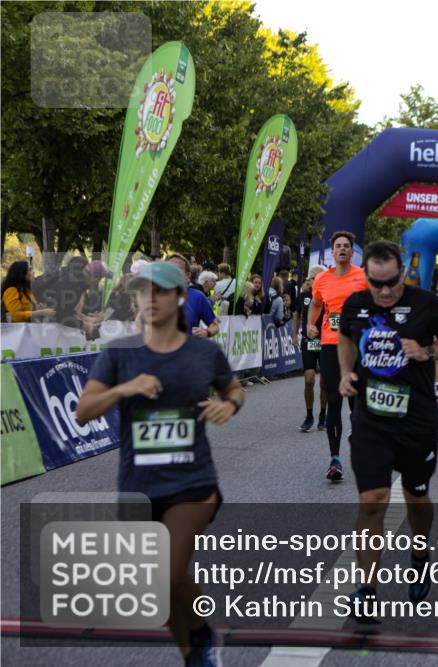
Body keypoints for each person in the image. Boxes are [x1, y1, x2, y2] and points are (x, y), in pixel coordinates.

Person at [77, 261, 244, 666]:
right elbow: (83, 412)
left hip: (194, 482)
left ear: (180, 298)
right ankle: (194, 655)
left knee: (168, 571)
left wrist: (229, 405)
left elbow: (234, 389)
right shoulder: (121, 354)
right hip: (138, 484)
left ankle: (202, 631)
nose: (149, 299)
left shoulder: (204, 352)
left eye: (159, 291)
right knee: (159, 584)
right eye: (142, 292)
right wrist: (126, 388)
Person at [337, 241, 438, 621]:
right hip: (371, 417)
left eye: (392, 282)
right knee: (372, 499)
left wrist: (428, 353)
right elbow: (345, 335)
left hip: (417, 419)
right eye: (377, 284)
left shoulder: (426, 304)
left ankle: (421, 554)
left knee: (416, 498)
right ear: (367, 278)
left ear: (401, 271)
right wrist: (346, 372)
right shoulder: (356, 304)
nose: (386, 291)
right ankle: (367, 590)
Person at [308, 231, 368, 482]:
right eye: (338, 246)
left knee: (355, 402)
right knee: (333, 399)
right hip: (331, 345)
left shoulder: (363, 277)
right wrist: (310, 325)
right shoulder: (321, 279)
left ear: (352, 252)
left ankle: (359, 439)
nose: (342, 249)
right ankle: (335, 459)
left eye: (346, 246)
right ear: (332, 252)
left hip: (357, 345)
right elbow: (316, 303)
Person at [293, 266, 327, 432]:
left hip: (326, 342)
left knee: (324, 383)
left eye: (316, 277)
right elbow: (297, 314)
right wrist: (295, 334)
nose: (313, 281)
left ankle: (323, 414)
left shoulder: (329, 296)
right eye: (311, 278)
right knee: (309, 379)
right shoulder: (304, 296)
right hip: (308, 342)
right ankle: (309, 416)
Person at [166, 254, 219, 337]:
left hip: (188, 348)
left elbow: (215, 326)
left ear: (187, 275)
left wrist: (206, 332)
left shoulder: (198, 297)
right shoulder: (155, 296)